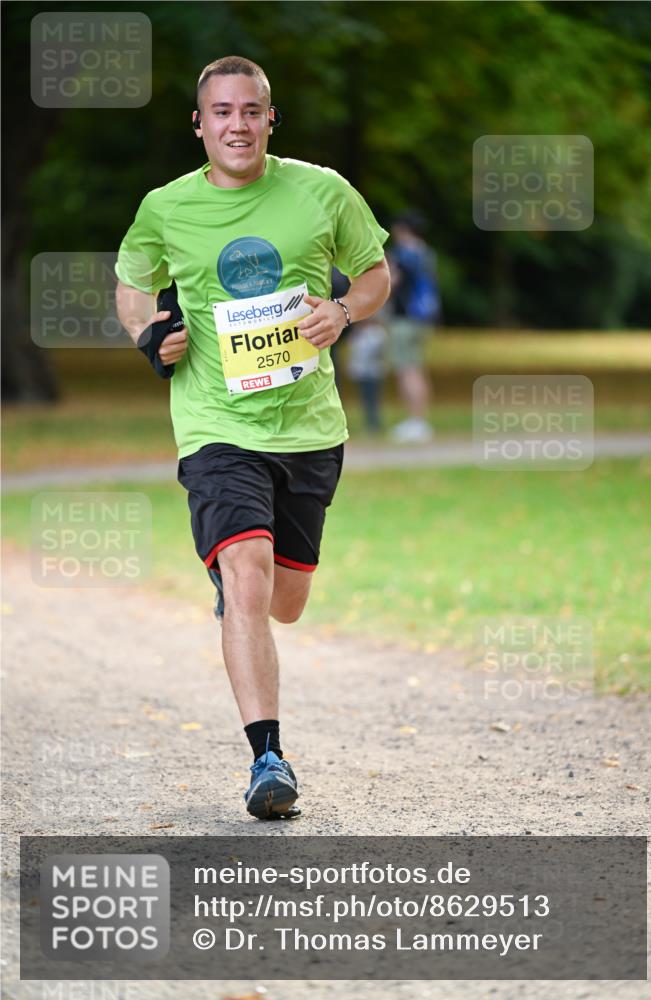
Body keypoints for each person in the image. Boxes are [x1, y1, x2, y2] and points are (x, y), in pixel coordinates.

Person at [114, 56, 390, 819]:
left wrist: (343, 312)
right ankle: (267, 758)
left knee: (286, 601)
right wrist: (148, 334)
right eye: (222, 112)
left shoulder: (323, 191)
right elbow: (134, 283)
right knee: (246, 568)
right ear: (198, 124)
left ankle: (241, 597)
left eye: (251, 111)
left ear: (271, 120)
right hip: (214, 423)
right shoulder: (166, 207)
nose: (237, 124)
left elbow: (373, 273)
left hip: (307, 427)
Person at [387, 211, 441, 443]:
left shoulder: (401, 254)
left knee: (407, 369)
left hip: (404, 319)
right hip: (424, 318)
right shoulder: (427, 253)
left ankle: (415, 421)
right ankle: (420, 420)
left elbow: (389, 282)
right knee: (417, 368)